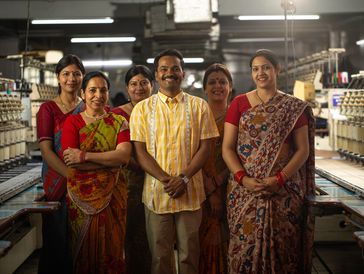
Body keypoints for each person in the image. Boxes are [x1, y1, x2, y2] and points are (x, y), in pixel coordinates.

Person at [222, 49, 315, 274]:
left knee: (284, 249)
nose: (260, 73)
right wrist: (243, 180)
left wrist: (279, 179)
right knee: (243, 250)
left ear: (276, 70)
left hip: (283, 194)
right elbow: (227, 148)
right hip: (244, 193)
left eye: (266, 67)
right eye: (255, 69)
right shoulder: (239, 104)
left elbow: (303, 150)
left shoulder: (293, 107)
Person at [129, 49, 219, 274]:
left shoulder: (199, 106)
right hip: (156, 194)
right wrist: (165, 179)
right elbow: (140, 151)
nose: (170, 73)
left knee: (190, 254)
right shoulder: (142, 109)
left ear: (183, 73)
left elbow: (206, 147)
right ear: (157, 75)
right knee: (160, 257)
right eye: (164, 69)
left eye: (175, 69)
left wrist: (184, 178)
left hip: (190, 193)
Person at [61, 71, 132, 274]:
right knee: (82, 252)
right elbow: (71, 163)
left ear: (108, 93)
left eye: (103, 90)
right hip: (80, 199)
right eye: (92, 90)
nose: (98, 95)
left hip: (114, 198)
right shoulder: (73, 123)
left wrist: (84, 156)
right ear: (82, 93)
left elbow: (124, 157)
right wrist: (110, 162)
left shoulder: (119, 122)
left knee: (113, 250)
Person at [36, 54, 85, 274]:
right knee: (56, 243)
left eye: (76, 73)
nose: (71, 79)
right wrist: (71, 176)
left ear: (82, 77)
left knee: (82, 243)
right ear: (57, 78)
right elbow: (46, 151)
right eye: (66, 74)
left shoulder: (87, 107)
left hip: (86, 184)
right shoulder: (48, 109)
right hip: (57, 184)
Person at [112, 65, 154, 274]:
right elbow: (115, 151)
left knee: (149, 239)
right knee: (124, 236)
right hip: (125, 184)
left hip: (157, 182)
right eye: (134, 84)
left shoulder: (160, 111)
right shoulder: (116, 116)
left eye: (144, 83)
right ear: (127, 88)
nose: (139, 88)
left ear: (152, 86)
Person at [199, 63, 231, 274]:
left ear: (230, 86)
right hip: (200, 189)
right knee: (202, 243)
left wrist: (219, 181)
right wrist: (209, 187)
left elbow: (242, 156)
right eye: (212, 82)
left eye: (222, 82)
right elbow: (190, 155)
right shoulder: (196, 117)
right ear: (205, 88)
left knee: (230, 241)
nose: (217, 86)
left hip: (232, 188)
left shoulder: (237, 117)